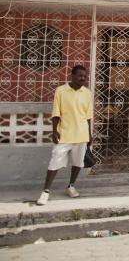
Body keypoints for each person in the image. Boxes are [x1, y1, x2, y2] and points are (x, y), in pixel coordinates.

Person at [36, 65, 93, 206]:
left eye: (84, 76)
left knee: (78, 163)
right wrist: (54, 131)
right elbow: (56, 113)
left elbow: (88, 117)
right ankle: (45, 192)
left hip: (81, 134)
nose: (82, 78)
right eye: (80, 75)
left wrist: (90, 134)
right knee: (55, 162)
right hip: (64, 133)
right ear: (72, 76)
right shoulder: (60, 91)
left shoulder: (87, 93)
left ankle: (71, 186)